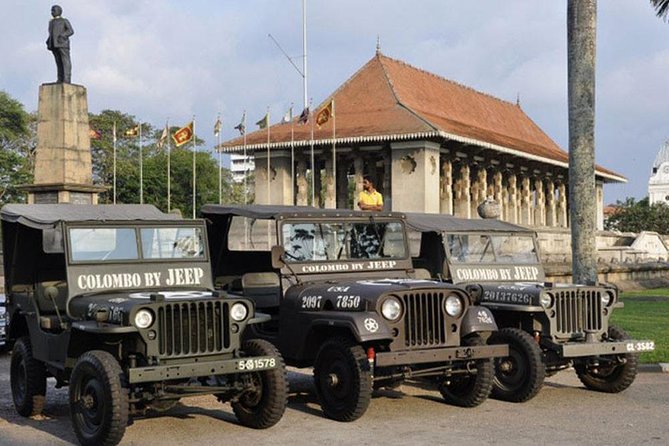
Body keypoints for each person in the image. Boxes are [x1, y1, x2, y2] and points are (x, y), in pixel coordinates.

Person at [46, 5, 74, 83]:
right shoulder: (51, 22)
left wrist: (63, 36)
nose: (52, 12)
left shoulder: (64, 21)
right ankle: (60, 79)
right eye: (51, 11)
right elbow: (51, 33)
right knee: (58, 62)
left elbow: (70, 31)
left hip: (63, 44)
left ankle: (66, 79)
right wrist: (49, 40)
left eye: (54, 10)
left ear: (59, 11)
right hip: (54, 44)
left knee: (65, 61)